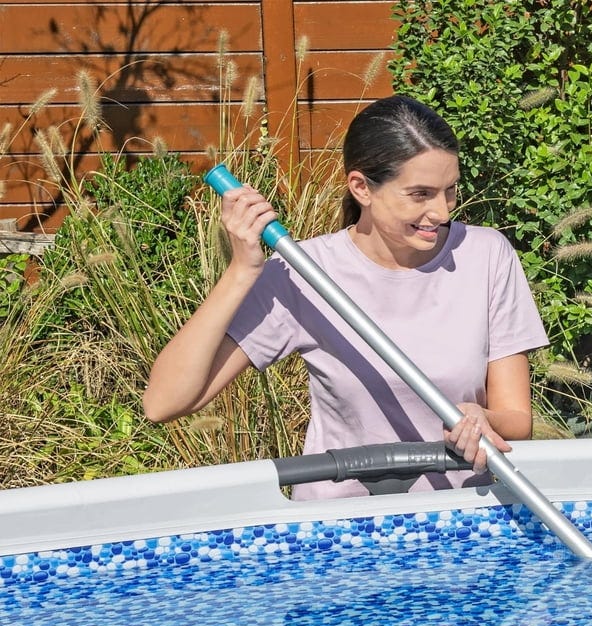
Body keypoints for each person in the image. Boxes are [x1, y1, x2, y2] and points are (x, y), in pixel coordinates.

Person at [142, 95, 548, 499]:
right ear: (361, 188)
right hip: (341, 521)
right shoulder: (304, 272)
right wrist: (242, 272)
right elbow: (163, 403)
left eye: (450, 190)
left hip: (458, 518)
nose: (442, 212)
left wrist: (482, 417)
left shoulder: (486, 255)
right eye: (420, 194)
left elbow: (517, 421)